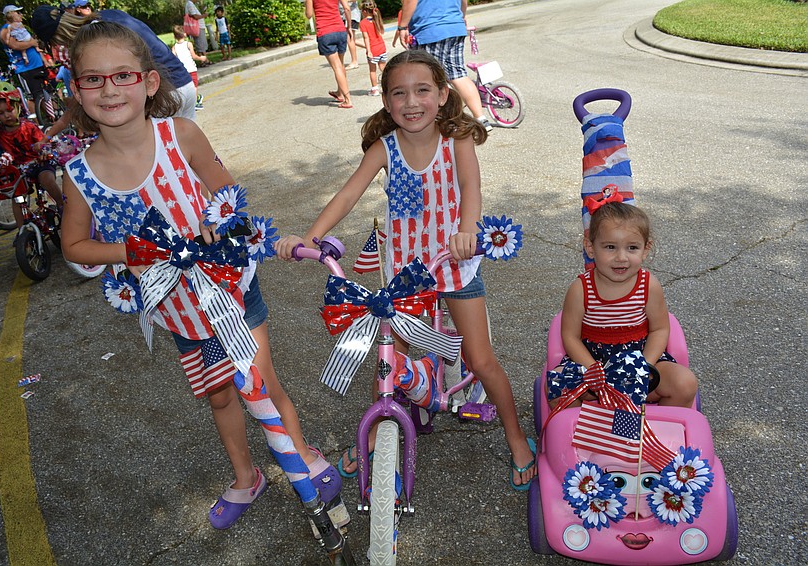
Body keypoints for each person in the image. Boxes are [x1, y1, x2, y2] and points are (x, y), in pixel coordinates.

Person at [58, 20, 345, 531]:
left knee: (261, 379)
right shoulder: (79, 173)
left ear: (148, 82)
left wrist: (216, 220)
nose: (109, 89)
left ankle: (300, 450)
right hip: (175, 305)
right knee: (218, 392)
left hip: (229, 288)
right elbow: (74, 245)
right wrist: (132, 251)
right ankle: (245, 475)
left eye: (122, 75)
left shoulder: (181, 134)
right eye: (93, 79)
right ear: (76, 91)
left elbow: (227, 193)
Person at [276, 50, 537, 490]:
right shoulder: (385, 148)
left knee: (481, 359)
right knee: (387, 361)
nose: (411, 102)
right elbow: (347, 195)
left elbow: (471, 188)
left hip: (453, 267)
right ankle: (376, 438)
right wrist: (311, 236)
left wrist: (468, 230)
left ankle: (516, 440)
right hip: (405, 278)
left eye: (422, 90)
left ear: (441, 94)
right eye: (399, 93)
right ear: (386, 100)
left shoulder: (458, 141)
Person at [548, 195, 699, 409]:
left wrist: (644, 366)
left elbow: (660, 329)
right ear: (590, 247)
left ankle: (662, 429)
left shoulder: (649, 285)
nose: (621, 257)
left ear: (646, 249)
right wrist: (593, 370)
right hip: (593, 363)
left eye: (632, 248)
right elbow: (570, 336)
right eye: (610, 247)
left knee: (685, 383)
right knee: (557, 386)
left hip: (640, 359)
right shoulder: (580, 289)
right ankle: (576, 436)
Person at [31, 4, 197, 120]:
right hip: (184, 82)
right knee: (187, 155)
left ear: (56, 38)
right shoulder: (110, 15)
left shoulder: (94, 40)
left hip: (162, 94)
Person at [397, 0, 493, 132]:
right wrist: (462, 16)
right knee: (458, 75)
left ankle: (441, 121)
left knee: (429, 79)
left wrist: (402, 27)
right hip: (455, 26)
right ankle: (481, 119)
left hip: (430, 29)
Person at [0, 81, 63, 226]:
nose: (6, 115)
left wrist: (43, 151)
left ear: (17, 107)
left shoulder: (29, 127)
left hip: (39, 163)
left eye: (9, 109)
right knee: (17, 197)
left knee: (47, 180)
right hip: (18, 171)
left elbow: (42, 143)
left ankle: (63, 206)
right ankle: (22, 230)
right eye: (1, 113)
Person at [0, 5, 47, 118]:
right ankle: (37, 123)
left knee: (45, 93)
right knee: (31, 96)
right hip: (25, 68)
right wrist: (32, 43)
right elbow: (14, 45)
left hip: (37, 65)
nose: (21, 15)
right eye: (18, 12)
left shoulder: (21, 27)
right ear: (10, 14)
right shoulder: (6, 29)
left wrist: (44, 59)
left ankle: (53, 117)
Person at [306, 0, 353, 109]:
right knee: (340, 65)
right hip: (340, 29)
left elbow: (308, 15)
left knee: (337, 67)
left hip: (325, 32)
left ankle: (347, 99)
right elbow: (347, 8)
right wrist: (349, 26)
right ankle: (340, 93)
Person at [171, 25, 207, 110]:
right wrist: (201, 58)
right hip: (191, 68)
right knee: (194, 86)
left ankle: (190, 102)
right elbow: (194, 56)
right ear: (185, 34)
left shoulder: (174, 47)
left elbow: (173, 59)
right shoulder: (188, 44)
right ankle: (195, 103)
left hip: (182, 70)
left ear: (174, 36)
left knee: (186, 86)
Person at [355, 0, 387, 96]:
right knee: (383, 68)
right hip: (382, 47)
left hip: (373, 50)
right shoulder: (376, 19)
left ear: (364, 11)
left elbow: (366, 38)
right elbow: (381, 32)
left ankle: (375, 89)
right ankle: (389, 84)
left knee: (372, 70)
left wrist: (368, 51)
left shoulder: (363, 23)